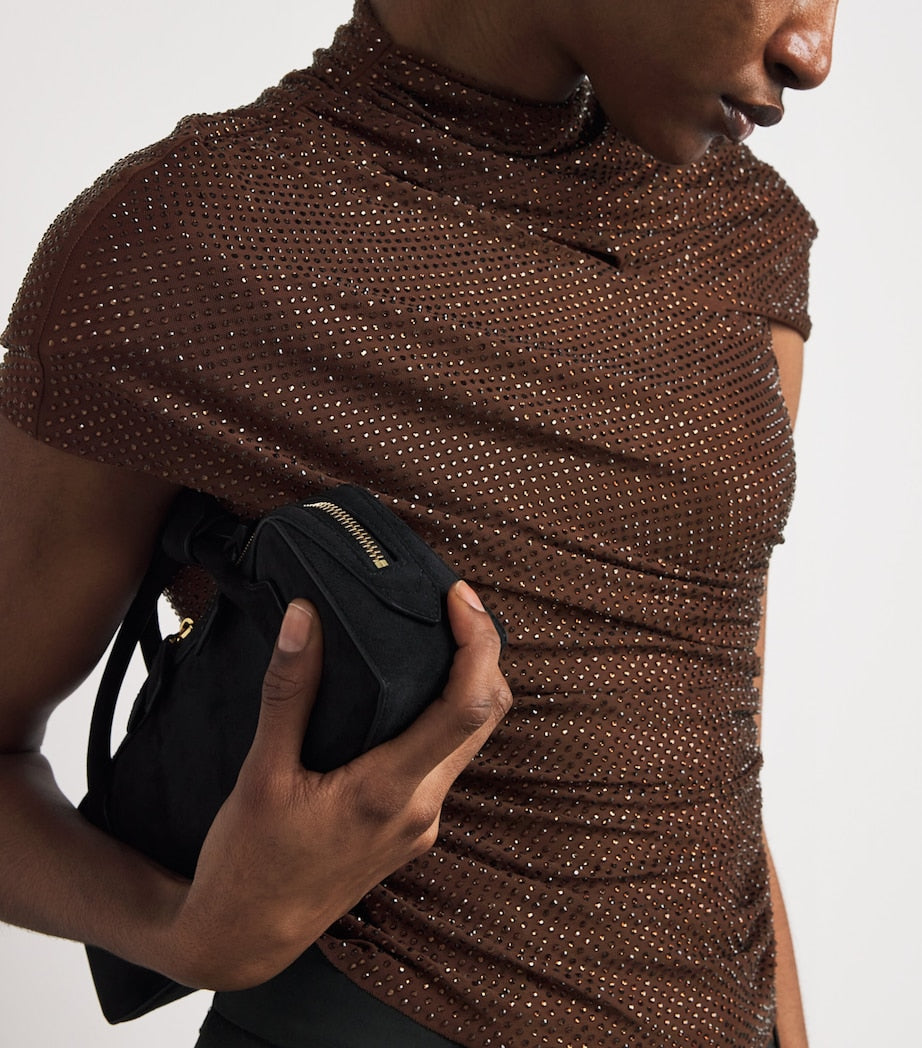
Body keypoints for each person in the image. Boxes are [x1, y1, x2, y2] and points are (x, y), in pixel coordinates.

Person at [0, 0, 838, 1045]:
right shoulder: (189, 240)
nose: (814, 51)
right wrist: (182, 932)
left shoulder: (736, 239)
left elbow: (715, 763)